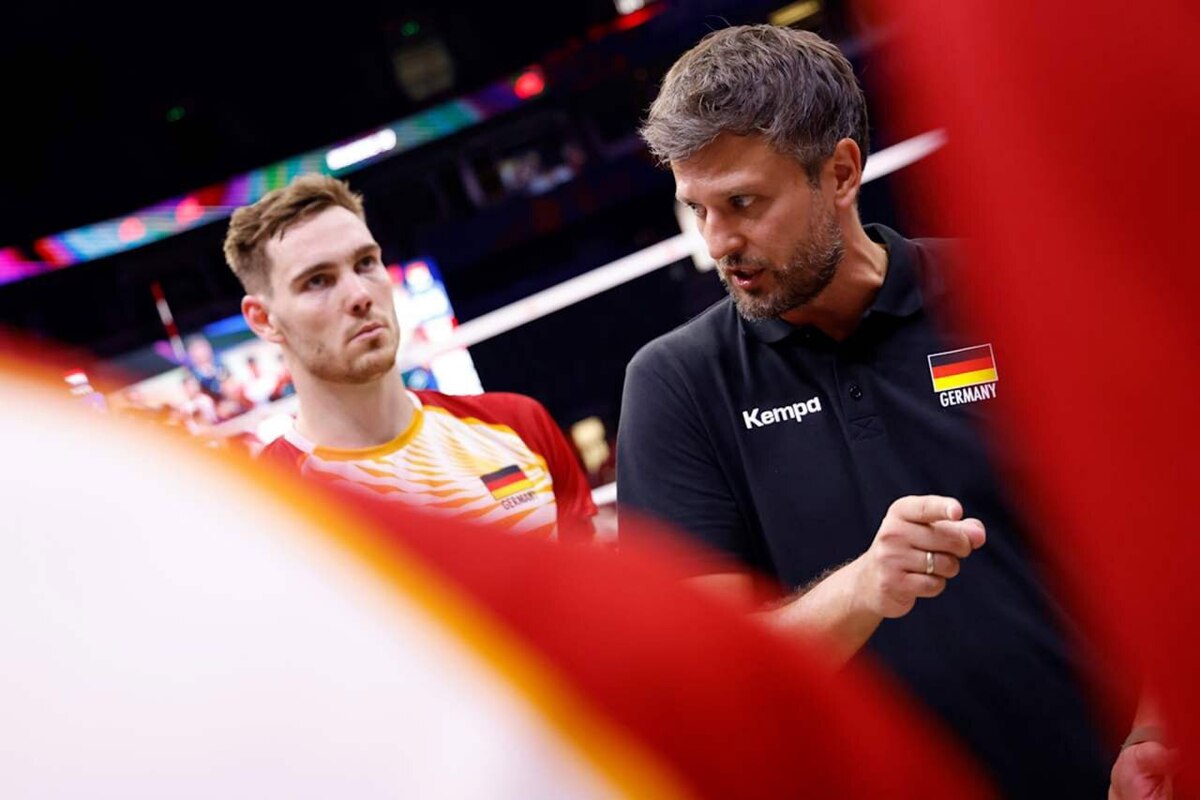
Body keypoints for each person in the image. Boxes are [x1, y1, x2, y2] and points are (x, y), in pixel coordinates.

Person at [616, 24, 1134, 798]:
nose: (719, 242)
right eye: (697, 209)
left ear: (841, 173)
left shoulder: (1005, 293)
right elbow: (708, 674)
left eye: (743, 203)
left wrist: (1158, 730)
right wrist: (863, 588)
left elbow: (1160, 526)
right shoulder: (678, 385)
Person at [223, 174, 596, 541]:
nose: (359, 294)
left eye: (365, 263)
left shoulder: (517, 425)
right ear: (263, 319)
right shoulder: (262, 511)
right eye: (317, 280)